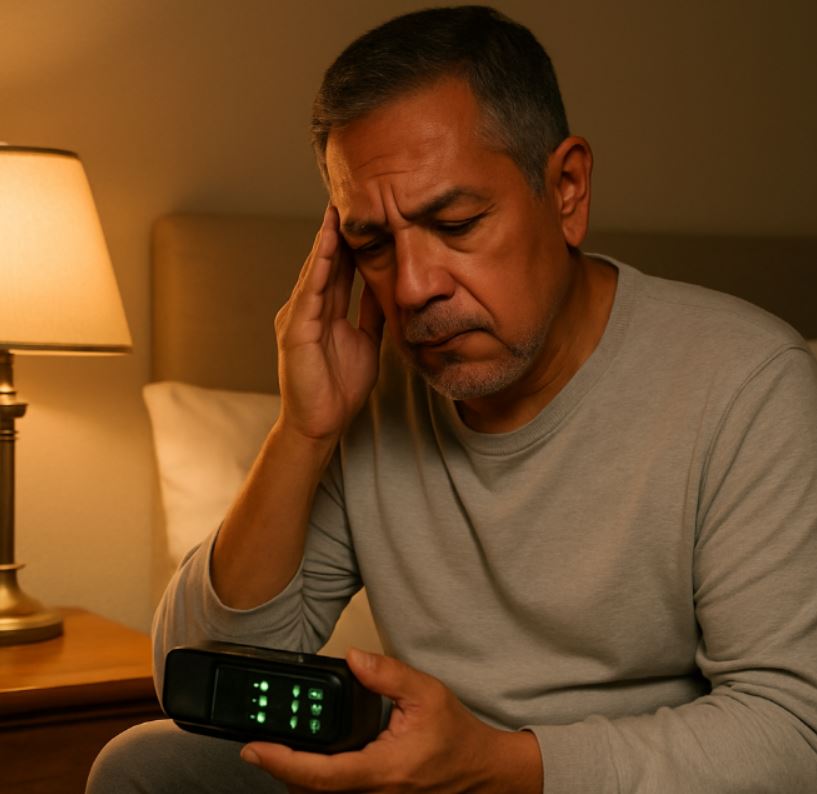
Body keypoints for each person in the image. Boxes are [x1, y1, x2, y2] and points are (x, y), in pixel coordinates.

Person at [88, 6, 817, 793]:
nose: (411, 288)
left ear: (566, 189)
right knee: (146, 762)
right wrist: (302, 433)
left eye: (456, 222)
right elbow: (203, 685)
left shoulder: (745, 381)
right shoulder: (376, 393)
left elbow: (791, 729)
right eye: (372, 243)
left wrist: (494, 768)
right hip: (407, 778)